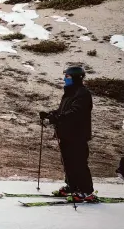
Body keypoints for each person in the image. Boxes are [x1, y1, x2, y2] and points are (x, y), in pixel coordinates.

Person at [39, 66, 96, 202]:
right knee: (68, 162)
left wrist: (58, 118)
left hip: (77, 135)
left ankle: (86, 192)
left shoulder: (83, 93)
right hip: (66, 134)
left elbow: (76, 112)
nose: (65, 78)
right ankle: (72, 186)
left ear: (76, 78)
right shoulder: (69, 93)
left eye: (68, 76)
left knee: (79, 163)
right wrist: (51, 114)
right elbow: (63, 110)